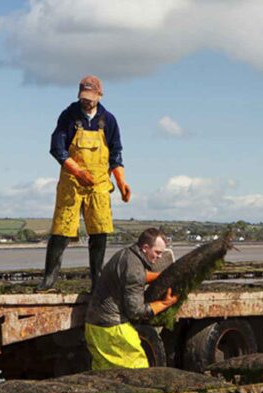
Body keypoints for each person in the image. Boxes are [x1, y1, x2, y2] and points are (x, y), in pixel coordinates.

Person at [39, 75, 131, 292]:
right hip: (71, 182)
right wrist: (78, 171)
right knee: (61, 231)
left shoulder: (108, 120)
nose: (86, 101)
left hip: (98, 184)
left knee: (99, 232)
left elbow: (116, 154)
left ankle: (98, 282)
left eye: (90, 97)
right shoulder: (68, 116)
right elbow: (57, 148)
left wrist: (121, 182)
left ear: (100, 95)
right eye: (83, 97)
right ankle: (49, 280)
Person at [84, 228, 178, 370]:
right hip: (112, 330)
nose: (159, 257)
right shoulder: (134, 269)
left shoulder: (127, 255)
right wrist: (164, 303)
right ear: (145, 248)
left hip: (94, 327)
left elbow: (134, 276)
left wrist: (160, 276)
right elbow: (135, 311)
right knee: (137, 370)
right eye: (157, 252)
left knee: (104, 373)